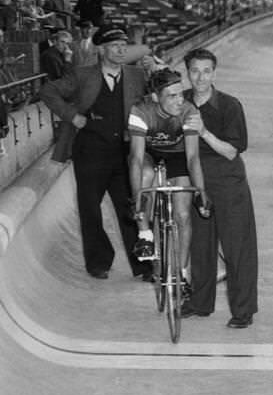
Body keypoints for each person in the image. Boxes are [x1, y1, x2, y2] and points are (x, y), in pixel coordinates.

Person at [39, 26, 150, 279]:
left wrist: (154, 65)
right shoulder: (82, 75)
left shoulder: (136, 75)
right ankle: (99, 262)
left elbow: (159, 90)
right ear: (101, 50)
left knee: (130, 206)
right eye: (115, 46)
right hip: (89, 151)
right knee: (90, 207)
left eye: (124, 45)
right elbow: (48, 91)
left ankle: (143, 264)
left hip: (124, 152)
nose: (122, 50)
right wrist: (72, 116)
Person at [182, 48, 258, 328]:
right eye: (194, 71)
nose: (200, 77)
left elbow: (231, 151)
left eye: (206, 71)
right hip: (195, 180)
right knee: (201, 244)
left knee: (237, 246)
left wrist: (203, 132)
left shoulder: (229, 105)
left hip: (227, 182)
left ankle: (243, 310)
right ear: (187, 72)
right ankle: (200, 303)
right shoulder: (181, 102)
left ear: (214, 73)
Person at [127, 68, 208, 294]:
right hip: (149, 153)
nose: (179, 100)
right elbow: (135, 158)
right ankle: (145, 235)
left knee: (182, 214)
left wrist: (201, 192)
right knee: (146, 174)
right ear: (155, 97)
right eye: (172, 96)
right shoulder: (140, 111)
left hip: (178, 155)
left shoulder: (190, 111)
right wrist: (137, 201)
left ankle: (181, 273)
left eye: (181, 94)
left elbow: (192, 158)